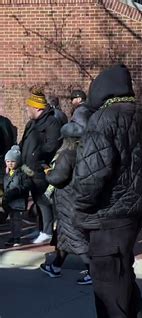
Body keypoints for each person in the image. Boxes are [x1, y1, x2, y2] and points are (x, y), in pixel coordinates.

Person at [71, 64, 142, 317]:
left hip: (108, 215)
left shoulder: (103, 119)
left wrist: (79, 208)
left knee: (109, 287)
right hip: (136, 209)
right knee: (123, 274)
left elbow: (90, 176)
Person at [39, 106, 95, 284]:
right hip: (76, 198)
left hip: (67, 201)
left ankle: (93, 272)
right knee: (64, 237)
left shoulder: (67, 155)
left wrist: (47, 172)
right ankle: (54, 267)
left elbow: (58, 178)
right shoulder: (84, 153)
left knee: (75, 239)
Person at [20, 88, 62, 244]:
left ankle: (47, 231)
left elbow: (53, 145)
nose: (27, 109)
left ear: (37, 108)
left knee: (44, 200)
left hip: (40, 168)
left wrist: (36, 154)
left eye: (29, 107)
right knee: (37, 200)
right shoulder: (32, 123)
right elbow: (24, 142)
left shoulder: (52, 122)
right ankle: (40, 228)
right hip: (28, 168)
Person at [2, 145, 32, 247]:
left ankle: (17, 237)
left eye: (12, 161)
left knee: (17, 220)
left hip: (18, 201)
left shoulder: (22, 173)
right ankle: (13, 236)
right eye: (8, 161)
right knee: (11, 220)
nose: (10, 164)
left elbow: (27, 185)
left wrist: (17, 190)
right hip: (9, 201)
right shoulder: (7, 173)